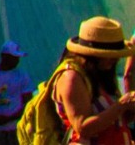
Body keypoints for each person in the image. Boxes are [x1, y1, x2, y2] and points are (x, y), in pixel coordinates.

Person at [51, 17, 135, 145]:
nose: (115, 60)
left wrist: (130, 110)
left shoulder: (101, 73)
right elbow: (84, 128)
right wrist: (122, 104)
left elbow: (112, 120)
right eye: (110, 55)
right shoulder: (72, 77)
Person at [0, 41, 30, 145]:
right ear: (4, 56)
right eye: (14, 57)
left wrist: (10, 118)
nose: (17, 60)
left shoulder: (22, 76)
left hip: (17, 127)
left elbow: (28, 103)